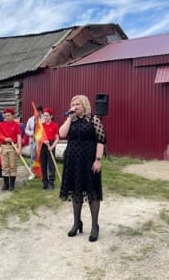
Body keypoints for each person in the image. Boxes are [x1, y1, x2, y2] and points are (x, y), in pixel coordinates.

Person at [59, 95, 106, 242]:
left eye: (77, 104)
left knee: (92, 192)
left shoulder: (93, 119)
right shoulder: (71, 121)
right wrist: (68, 118)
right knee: (76, 192)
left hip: (89, 161)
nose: (74, 106)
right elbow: (62, 134)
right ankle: (77, 222)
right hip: (73, 161)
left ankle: (94, 226)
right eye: (72, 104)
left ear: (84, 105)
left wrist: (98, 160)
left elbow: (101, 140)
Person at [0, 108, 22, 191]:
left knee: (13, 165)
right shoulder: (2, 125)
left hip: (13, 147)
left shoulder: (16, 125)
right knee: (5, 166)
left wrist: (19, 148)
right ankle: (6, 184)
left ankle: (12, 185)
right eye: (5, 116)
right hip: (4, 146)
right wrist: (5, 139)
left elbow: (19, 137)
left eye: (8, 115)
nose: (7, 117)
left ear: (12, 116)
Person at [40, 108, 59, 190]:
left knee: (51, 164)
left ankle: (51, 182)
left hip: (51, 145)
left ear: (51, 116)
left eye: (47, 116)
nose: (46, 117)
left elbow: (57, 138)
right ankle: (45, 182)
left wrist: (52, 146)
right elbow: (39, 136)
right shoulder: (42, 125)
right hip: (43, 145)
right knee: (43, 164)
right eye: (44, 116)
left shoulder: (55, 125)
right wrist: (43, 141)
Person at [25, 104, 44, 180]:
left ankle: (42, 172)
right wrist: (31, 134)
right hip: (33, 141)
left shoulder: (44, 119)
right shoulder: (31, 119)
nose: (37, 113)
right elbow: (26, 130)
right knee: (33, 157)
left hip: (41, 142)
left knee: (41, 157)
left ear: (41, 112)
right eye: (36, 111)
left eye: (39, 111)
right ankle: (32, 172)